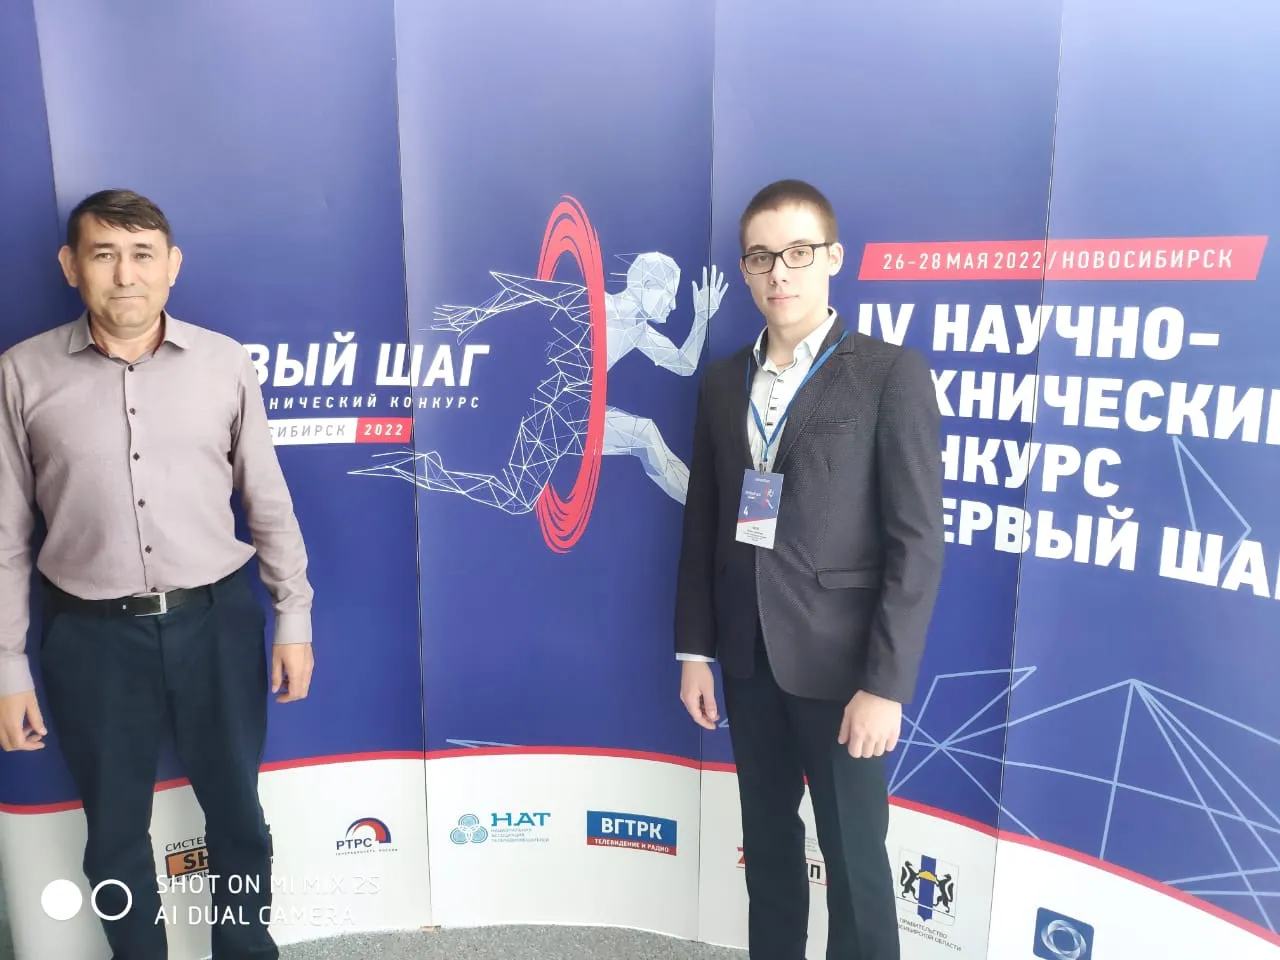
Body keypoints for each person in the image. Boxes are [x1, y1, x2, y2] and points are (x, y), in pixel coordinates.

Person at [0, 189, 315, 959]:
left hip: (217, 623)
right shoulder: (22, 373)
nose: (125, 275)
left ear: (172, 265)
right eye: (104, 254)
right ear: (71, 266)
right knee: (113, 833)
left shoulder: (224, 362)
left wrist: (294, 615)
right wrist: (6, 665)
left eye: (142, 255)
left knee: (238, 816)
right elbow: (6, 536)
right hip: (90, 637)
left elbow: (267, 499)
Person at [674, 179, 943, 959]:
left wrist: (885, 686)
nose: (779, 273)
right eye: (761, 257)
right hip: (747, 658)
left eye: (798, 252)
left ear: (833, 258)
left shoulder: (889, 374)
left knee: (856, 863)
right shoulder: (723, 381)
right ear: (746, 269)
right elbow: (703, 524)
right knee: (767, 848)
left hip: (843, 670)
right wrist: (695, 650)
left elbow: (917, 542)